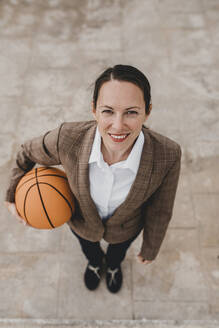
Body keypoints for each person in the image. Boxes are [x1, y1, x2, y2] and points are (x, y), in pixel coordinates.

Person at [4, 64, 182, 294]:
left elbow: (161, 208)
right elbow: (27, 152)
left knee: (117, 253)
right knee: (89, 248)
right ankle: (96, 263)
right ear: (94, 110)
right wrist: (11, 195)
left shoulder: (167, 154)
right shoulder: (68, 139)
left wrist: (151, 247)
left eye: (131, 112)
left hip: (126, 228)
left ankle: (114, 267)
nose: (118, 125)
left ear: (147, 112)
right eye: (108, 111)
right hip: (82, 222)